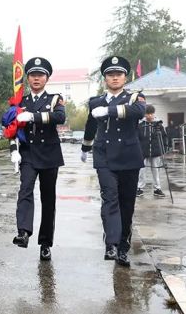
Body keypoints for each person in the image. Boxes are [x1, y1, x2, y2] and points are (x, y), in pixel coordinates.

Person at [80, 56, 145, 267]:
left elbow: (139, 112)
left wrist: (110, 110)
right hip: (104, 155)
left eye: (118, 74)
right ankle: (111, 243)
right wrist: (86, 146)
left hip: (128, 157)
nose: (115, 77)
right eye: (110, 74)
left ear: (125, 77)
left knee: (127, 204)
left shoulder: (135, 97)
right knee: (110, 198)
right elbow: (91, 125)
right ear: (105, 78)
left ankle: (123, 247)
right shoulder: (95, 101)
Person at [10, 57, 65, 260]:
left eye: (40, 75)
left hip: (49, 154)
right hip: (28, 154)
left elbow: (60, 117)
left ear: (46, 78)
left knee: (48, 199)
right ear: (27, 78)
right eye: (32, 75)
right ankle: (23, 232)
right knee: (25, 190)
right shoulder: (20, 101)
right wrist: (12, 150)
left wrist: (33, 117)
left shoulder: (55, 99)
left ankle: (45, 243)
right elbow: (11, 128)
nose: (36, 78)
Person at [137, 105, 167, 198]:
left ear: (154, 114)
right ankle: (140, 188)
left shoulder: (159, 125)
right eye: (147, 114)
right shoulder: (140, 125)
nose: (149, 116)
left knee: (156, 171)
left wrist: (164, 149)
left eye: (151, 114)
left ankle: (157, 189)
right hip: (143, 152)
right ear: (144, 114)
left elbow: (164, 137)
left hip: (156, 152)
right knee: (141, 171)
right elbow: (136, 138)